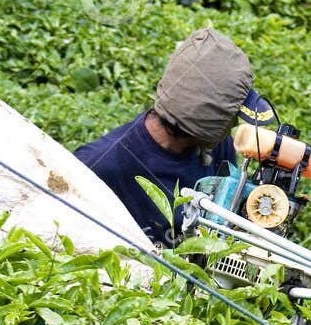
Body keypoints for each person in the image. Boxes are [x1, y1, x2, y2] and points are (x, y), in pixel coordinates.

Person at [75, 28, 277, 246]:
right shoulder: (98, 167)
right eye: (231, 117)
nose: (234, 126)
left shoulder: (216, 144)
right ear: (206, 119)